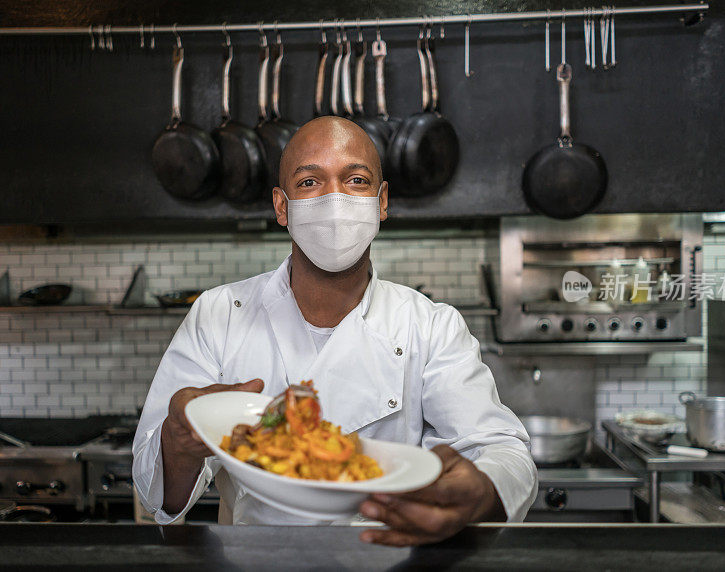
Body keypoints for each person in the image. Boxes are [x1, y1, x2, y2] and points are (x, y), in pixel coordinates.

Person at [132, 116, 537, 546]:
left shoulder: (431, 325)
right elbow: (156, 494)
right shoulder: (218, 315)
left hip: (386, 561)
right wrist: (178, 444)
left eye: (356, 180)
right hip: (257, 564)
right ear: (281, 206)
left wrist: (480, 492)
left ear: (382, 202)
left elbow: (503, 451)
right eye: (309, 183)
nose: (334, 200)